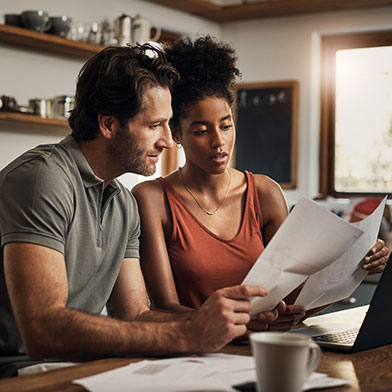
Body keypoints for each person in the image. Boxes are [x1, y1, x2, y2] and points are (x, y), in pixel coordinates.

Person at [0, 44, 271, 375]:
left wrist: (229, 322)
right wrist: (188, 333)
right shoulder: (42, 179)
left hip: (73, 368)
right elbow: (43, 331)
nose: (168, 142)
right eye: (154, 125)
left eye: (168, 125)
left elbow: (136, 314)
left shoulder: (123, 203)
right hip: (16, 373)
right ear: (109, 124)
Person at [132, 36, 390, 333]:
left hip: (265, 348)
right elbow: (164, 308)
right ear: (176, 134)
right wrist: (242, 325)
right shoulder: (152, 198)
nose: (219, 141)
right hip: (194, 354)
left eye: (226, 126)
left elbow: (294, 298)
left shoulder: (264, 193)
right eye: (201, 130)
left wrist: (358, 265)